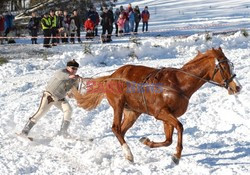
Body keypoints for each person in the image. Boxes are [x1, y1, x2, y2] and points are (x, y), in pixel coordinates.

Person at [20, 60, 81, 138]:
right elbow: (62, 76)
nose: (74, 70)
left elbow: (73, 92)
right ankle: (25, 131)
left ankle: (63, 132)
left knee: (69, 110)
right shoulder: (61, 72)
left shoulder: (74, 78)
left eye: (76, 69)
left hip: (60, 98)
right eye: (73, 68)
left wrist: (77, 83)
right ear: (67, 67)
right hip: (50, 96)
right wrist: (71, 77)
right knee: (41, 112)